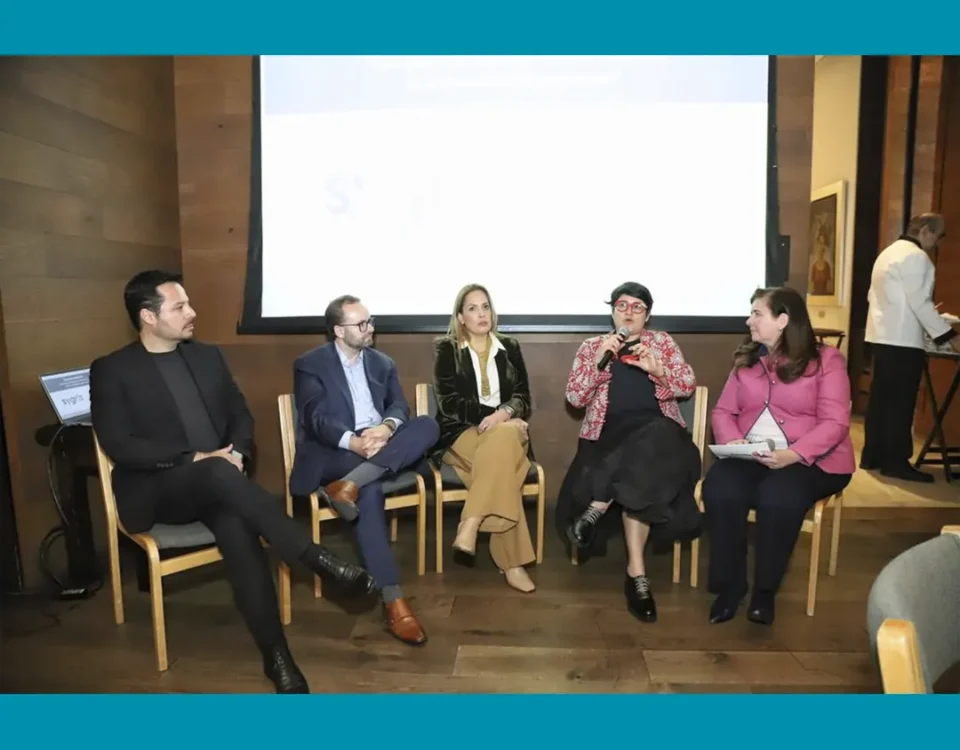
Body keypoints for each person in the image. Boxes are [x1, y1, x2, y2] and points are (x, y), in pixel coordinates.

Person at [90, 270, 375, 694]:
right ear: (148, 316)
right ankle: (316, 558)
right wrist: (196, 459)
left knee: (236, 525)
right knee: (215, 473)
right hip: (158, 492)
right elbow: (119, 443)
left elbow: (240, 415)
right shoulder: (112, 369)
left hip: (220, 486)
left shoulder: (207, 357)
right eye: (179, 307)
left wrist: (237, 454)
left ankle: (277, 656)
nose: (192, 312)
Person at [290, 295, 440, 646]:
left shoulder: (382, 362)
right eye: (361, 324)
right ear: (338, 330)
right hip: (336, 449)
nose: (370, 328)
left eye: (370, 321)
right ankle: (393, 599)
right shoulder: (310, 364)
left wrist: (386, 429)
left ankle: (348, 486)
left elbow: (398, 405)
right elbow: (316, 420)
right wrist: (355, 443)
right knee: (369, 489)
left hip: (382, 441)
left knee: (428, 425)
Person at [703, 286, 855, 626]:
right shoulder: (747, 360)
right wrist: (735, 443)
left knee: (778, 495)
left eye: (757, 314)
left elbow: (835, 423)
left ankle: (764, 592)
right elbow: (723, 412)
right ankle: (731, 587)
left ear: (783, 320)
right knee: (720, 488)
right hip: (753, 454)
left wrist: (794, 454)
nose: (749, 321)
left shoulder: (827, 360)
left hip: (814, 460)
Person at [556, 282, 701, 624]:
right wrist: (597, 364)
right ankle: (637, 575)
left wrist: (658, 370)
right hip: (608, 442)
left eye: (637, 307)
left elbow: (686, 385)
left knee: (656, 437)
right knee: (639, 469)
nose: (629, 312)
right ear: (612, 312)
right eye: (622, 305)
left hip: (662, 440)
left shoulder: (662, 343)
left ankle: (598, 505)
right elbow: (575, 398)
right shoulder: (593, 347)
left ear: (647, 316)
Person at [431, 284, 537, 593]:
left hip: (507, 432)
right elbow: (449, 403)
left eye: (485, 306)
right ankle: (512, 564)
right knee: (505, 468)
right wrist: (497, 417)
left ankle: (471, 521)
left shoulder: (510, 347)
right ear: (460, 318)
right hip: (461, 432)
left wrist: (504, 415)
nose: (481, 314)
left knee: (501, 445)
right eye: (472, 308)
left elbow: (523, 397)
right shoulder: (447, 349)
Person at [862, 213, 958, 483]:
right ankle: (895, 462)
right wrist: (949, 335)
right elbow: (920, 302)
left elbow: (872, 297)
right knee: (900, 403)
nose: (937, 243)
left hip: (881, 336)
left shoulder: (887, 253)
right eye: (938, 236)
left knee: (881, 400)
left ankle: (873, 455)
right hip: (903, 340)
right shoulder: (917, 257)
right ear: (925, 231)